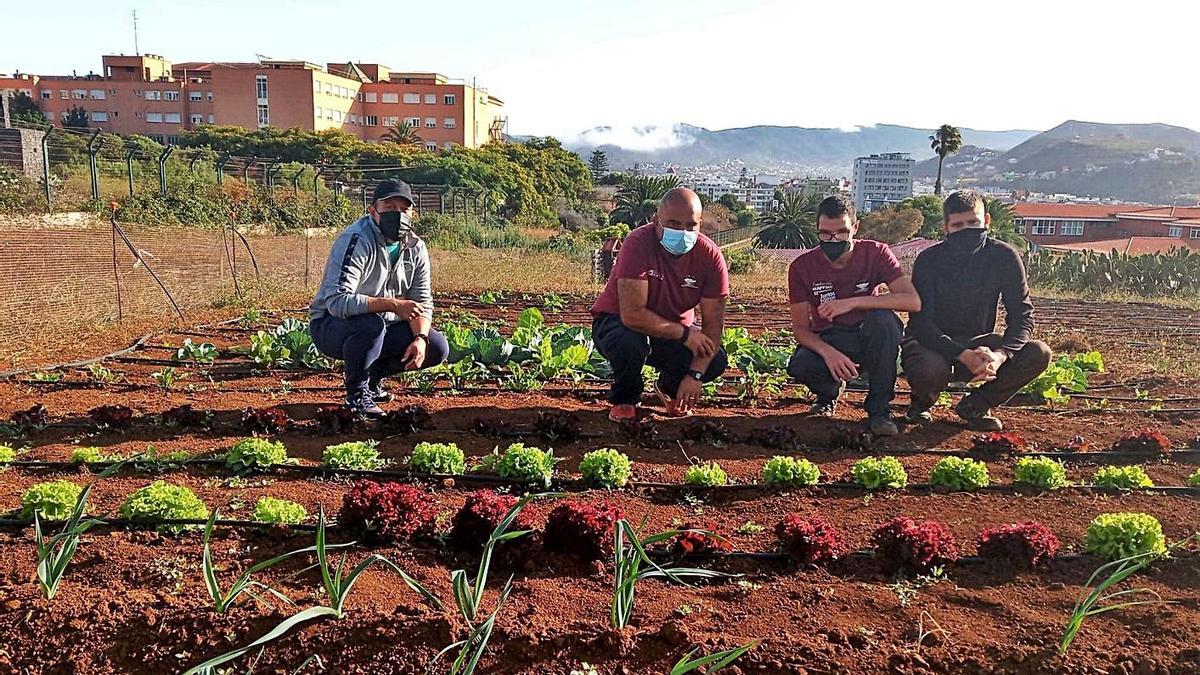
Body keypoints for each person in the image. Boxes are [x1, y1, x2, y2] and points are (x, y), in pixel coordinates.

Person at [901, 190, 1052, 431]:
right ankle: (921, 404)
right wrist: (962, 354)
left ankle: (977, 405)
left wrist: (1001, 355)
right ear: (946, 227)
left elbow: (1023, 316)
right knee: (931, 369)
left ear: (987, 221)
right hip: (930, 342)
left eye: (973, 223)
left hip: (978, 340)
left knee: (1038, 353)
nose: (967, 230)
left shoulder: (1003, 256)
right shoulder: (929, 260)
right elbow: (921, 323)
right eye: (958, 225)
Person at [308, 178, 450, 418]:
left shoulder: (416, 247)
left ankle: (374, 378)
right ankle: (357, 395)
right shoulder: (356, 240)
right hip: (331, 326)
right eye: (389, 207)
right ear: (373, 211)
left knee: (437, 347)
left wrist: (421, 337)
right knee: (370, 325)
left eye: (404, 209)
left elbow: (422, 301)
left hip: (381, 326)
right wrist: (392, 304)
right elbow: (337, 301)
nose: (398, 214)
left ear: (412, 213)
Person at [786, 194, 921, 436]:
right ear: (817, 230)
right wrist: (829, 354)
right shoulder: (802, 267)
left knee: (885, 321)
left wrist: (852, 303)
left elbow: (911, 300)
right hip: (830, 336)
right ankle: (828, 393)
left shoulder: (876, 253)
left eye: (842, 232)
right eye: (825, 234)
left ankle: (879, 410)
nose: (833, 239)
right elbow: (800, 328)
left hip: (868, 336)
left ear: (855, 228)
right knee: (801, 364)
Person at [590, 187, 729, 421]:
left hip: (672, 332)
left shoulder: (711, 257)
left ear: (700, 225)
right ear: (656, 221)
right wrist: (686, 335)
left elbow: (713, 327)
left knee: (714, 358)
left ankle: (670, 388)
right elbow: (633, 315)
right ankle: (625, 398)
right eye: (673, 224)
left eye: (690, 226)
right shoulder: (638, 243)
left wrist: (694, 375)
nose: (682, 232)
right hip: (618, 322)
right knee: (629, 343)